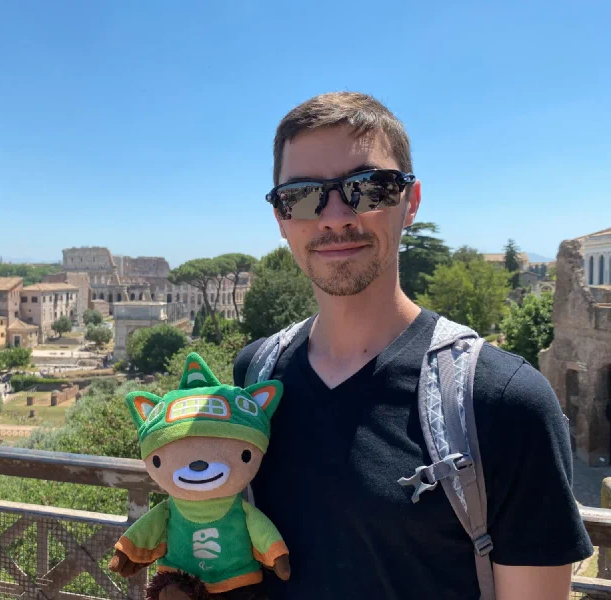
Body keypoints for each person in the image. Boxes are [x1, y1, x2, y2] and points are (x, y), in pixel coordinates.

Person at [227, 92, 592, 600]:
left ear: (411, 202)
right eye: (304, 195)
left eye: (368, 188)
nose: (334, 217)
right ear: (281, 217)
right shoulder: (255, 374)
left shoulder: (504, 401)